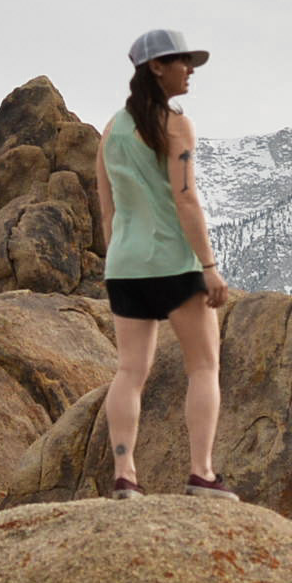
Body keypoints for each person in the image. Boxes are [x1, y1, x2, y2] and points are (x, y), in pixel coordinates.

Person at [92, 27, 237, 499]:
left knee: (130, 371)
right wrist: (209, 266)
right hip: (174, 262)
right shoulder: (176, 125)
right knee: (204, 366)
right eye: (182, 61)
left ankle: (125, 474)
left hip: (125, 265)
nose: (190, 70)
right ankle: (202, 472)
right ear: (156, 67)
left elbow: (108, 209)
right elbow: (186, 200)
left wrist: (118, 259)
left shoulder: (111, 130)